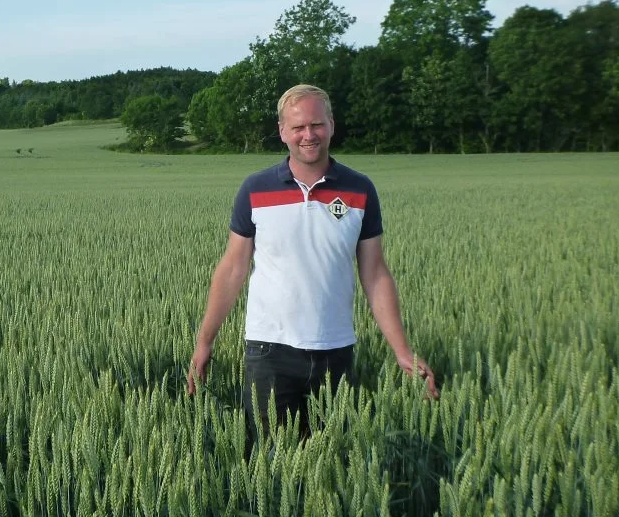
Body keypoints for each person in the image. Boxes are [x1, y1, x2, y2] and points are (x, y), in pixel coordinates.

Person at [187, 84, 438, 450]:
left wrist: (402, 350)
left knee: (333, 461)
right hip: (269, 350)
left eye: (317, 125)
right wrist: (204, 341)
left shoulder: (360, 189)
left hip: (336, 349)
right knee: (266, 463)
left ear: (332, 125)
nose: (309, 135)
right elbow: (232, 270)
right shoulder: (255, 189)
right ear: (282, 132)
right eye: (299, 127)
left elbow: (375, 273)